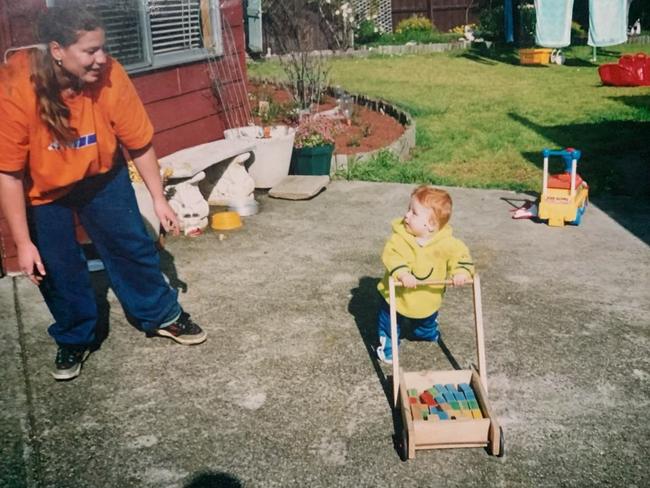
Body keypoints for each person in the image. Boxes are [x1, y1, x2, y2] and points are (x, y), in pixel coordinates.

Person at [0, 2, 206, 381]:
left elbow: (139, 143)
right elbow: (9, 174)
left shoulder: (110, 76)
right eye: (90, 50)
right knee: (57, 269)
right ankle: (75, 336)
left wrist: (159, 199)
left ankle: (161, 314)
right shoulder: (16, 86)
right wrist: (24, 242)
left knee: (132, 245)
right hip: (44, 191)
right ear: (58, 50)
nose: (102, 58)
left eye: (103, 48)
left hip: (101, 174)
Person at [375, 186, 474, 364]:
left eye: (413, 213)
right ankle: (388, 346)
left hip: (428, 297)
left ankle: (424, 332)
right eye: (408, 210)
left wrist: (461, 272)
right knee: (389, 324)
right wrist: (402, 273)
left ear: (431, 225)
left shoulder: (448, 243)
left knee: (424, 325)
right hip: (397, 297)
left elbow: (461, 257)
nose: (406, 215)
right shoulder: (400, 238)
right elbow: (392, 255)